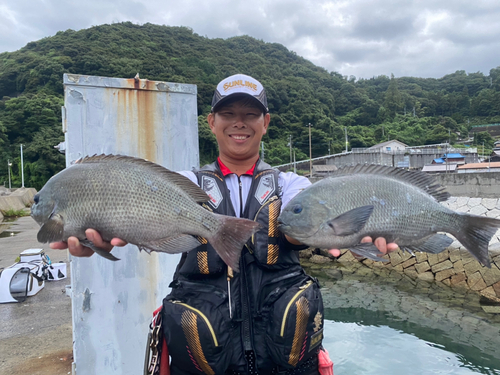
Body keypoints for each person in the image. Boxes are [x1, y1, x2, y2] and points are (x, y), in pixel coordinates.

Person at [51, 74, 397, 374]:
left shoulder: (293, 187)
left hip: (285, 358)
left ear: (266, 122)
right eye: (228, 114)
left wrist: (367, 229)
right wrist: (98, 234)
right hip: (203, 358)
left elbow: (313, 219)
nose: (239, 123)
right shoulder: (183, 184)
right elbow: (134, 207)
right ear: (211, 122)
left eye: (250, 114)